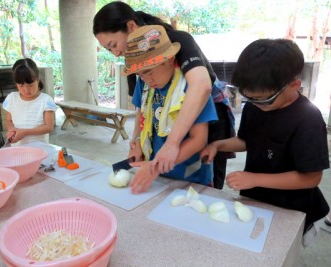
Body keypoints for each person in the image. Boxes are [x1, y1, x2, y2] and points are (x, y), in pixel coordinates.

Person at [200, 39, 330, 246]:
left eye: (264, 99)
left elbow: (311, 178)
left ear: (294, 85)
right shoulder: (255, 107)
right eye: (248, 97)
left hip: (291, 207)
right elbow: (246, 141)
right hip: (256, 198)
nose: (256, 104)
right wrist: (218, 145)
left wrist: (255, 178)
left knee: (279, 250)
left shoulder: (308, 119)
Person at [93, 1, 235, 190]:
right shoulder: (139, 67)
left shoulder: (177, 41)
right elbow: (142, 109)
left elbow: (201, 87)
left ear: (131, 26)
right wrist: (137, 142)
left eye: (114, 45)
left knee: (206, 177)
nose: (116, 53)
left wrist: (172, 144)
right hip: (164, 135)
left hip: (205, 112)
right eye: (109, 50)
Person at [122, 25, 218, 194]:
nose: (146, 79)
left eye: (149, 71)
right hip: (158, 177)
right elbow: (141, 113)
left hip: (191, 178)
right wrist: (136, 141)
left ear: (169, 59)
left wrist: (155, 167)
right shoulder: (144, 84)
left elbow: (199, 140)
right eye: (140, 74)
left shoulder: (190, 87)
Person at [2, 58, 57, 146]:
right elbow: (9, 121)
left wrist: (25, 132)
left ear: (38, 80)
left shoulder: (46, 100)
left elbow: (49, 127)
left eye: (30, 85)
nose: (26, 90)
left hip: (40, 148)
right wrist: (12, 130)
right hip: (18, 148)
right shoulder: (11, 98)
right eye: (21, 86)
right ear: (16, 84)